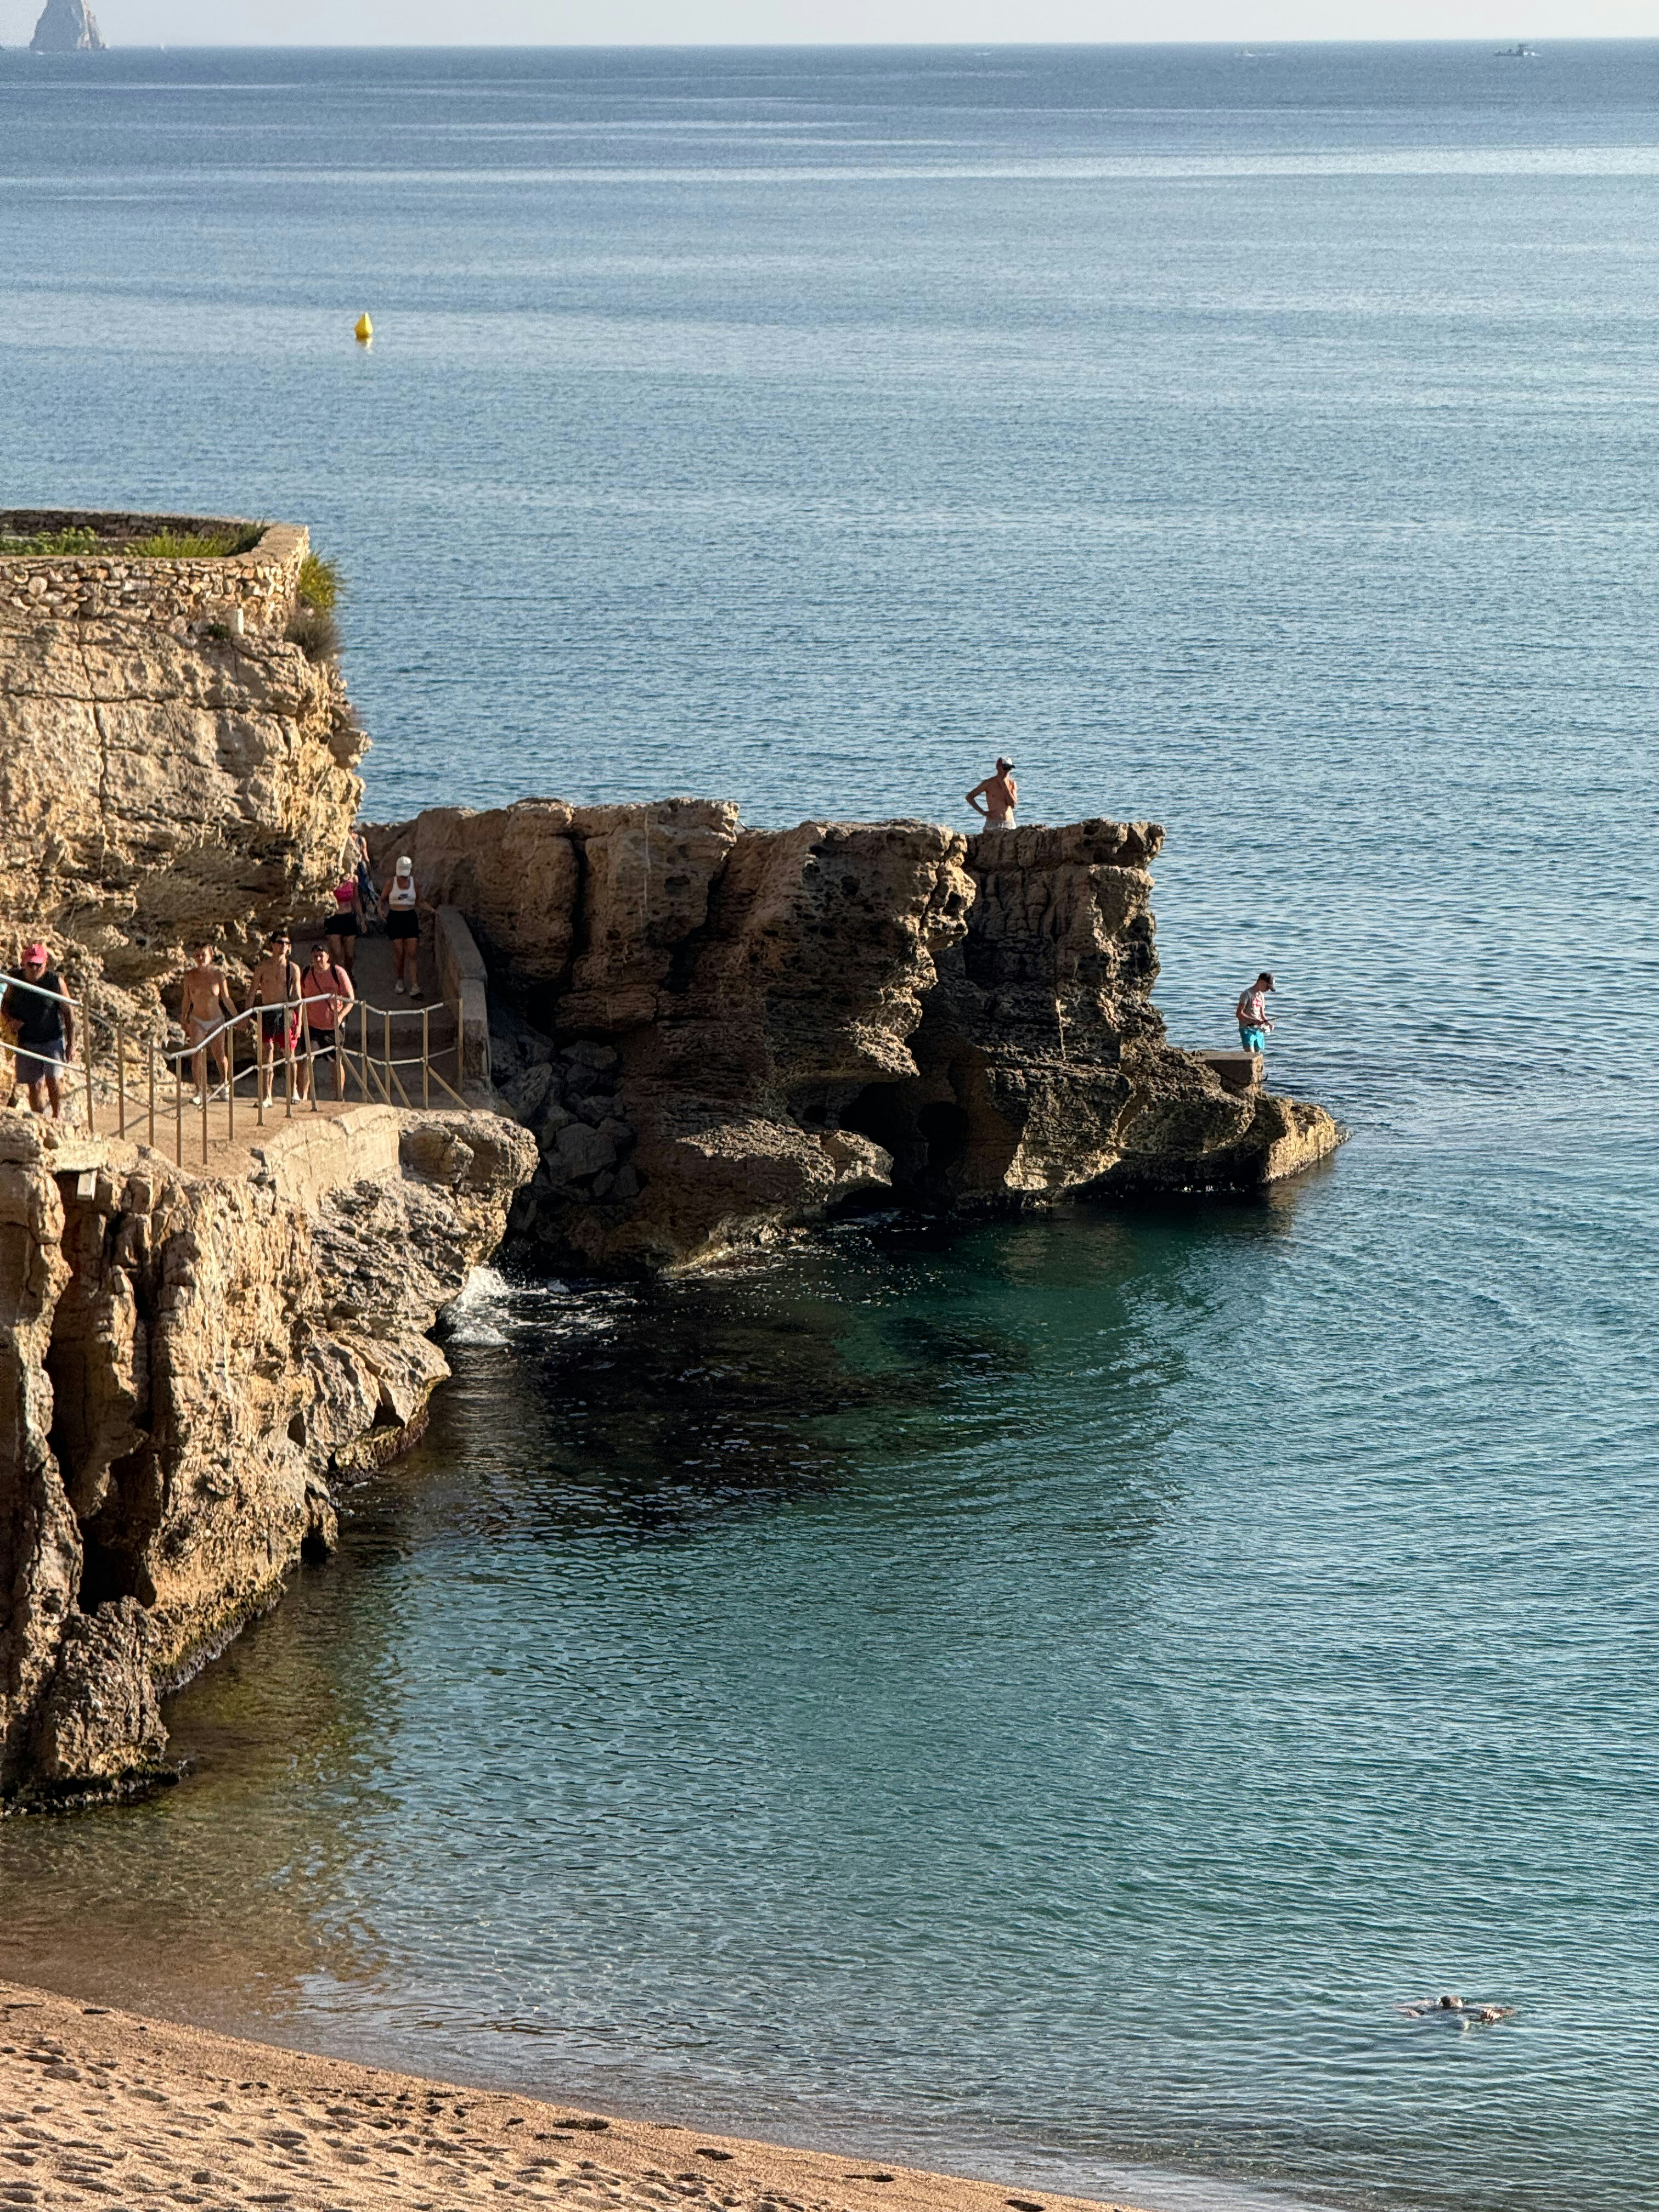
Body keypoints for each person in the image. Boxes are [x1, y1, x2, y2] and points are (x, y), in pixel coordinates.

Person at [2, 943, 74, 1120]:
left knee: (53, 1080)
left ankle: (57, 1117)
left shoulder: (54, 981)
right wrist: (11, 1021)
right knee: (34, 1085)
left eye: (38, 965)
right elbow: (5, 1005)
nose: (34, 969)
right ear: (24, 963)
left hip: (52, 1039)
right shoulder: (16, 980)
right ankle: (40, 1118)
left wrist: (71, 1044)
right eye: (31, 965)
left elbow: (69, 1013)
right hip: (27, 1040)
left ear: (45, 964)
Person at [246, 929, 302, 1105]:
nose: (283, 946)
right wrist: (246, 1015)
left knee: (289, 1054)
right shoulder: (263, 968)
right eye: (280, 943)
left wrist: (299, 1023)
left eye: (286, 943)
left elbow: (298, 998)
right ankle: (267, 1096)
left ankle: (293, 1091)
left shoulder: (293, 969)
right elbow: (252, 992)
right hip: (268, 1012)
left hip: (285, 1013)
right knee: (267, 1052)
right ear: (273, 945)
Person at [179, 943, 236, 1098]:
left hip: (216, 1020)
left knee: (219, 1054)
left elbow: (226, 998)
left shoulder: (218, 976)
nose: (200, 958)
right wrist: (183, 1017)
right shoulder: (189, 977)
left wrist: (237, 1016)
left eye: (203, 955)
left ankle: (224, 1083)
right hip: (197, 1020)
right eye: (197, 955)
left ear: (211, 957)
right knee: (197, 1054)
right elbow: (187, 999)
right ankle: (199, 1091)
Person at [300, 942, 356, 1101]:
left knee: (336, 1060)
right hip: (313, 1025)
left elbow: (350, 998)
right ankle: (304, 1096)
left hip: (332, 1026)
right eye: (315, 956)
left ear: (328, 957)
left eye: (321, 956)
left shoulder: (337, 972)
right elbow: (300, 996)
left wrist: (341, 1016)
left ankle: (339, 1096)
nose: (318, 959)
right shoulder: (307, 973)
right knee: (307, 1056)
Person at [379, 855, 426, 995]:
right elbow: (382, 899)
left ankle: (415, 985)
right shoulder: (391, 883)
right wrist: (382, 910)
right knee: (400, 954)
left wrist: (432, 910)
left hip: (410, 918)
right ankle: (400, 980)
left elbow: (420, 901)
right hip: (395, 918)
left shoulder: (414, 883)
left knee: (412, 953)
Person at [325, 861, 366, 978]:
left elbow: (356, 900)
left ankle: (348, 974)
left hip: (348, 917)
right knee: (337, 954)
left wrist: (362, 919)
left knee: (350, 955)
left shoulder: (353, 880)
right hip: (334, 917)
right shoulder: (332, 880)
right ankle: (339, 979)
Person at [966, 758, 1018, 830]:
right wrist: (983, 812)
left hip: (1009, 823)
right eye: (1005, 768)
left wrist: (1005, 786)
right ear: (998, 768)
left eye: (1010, 769)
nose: (1007, 771)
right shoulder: (989, 783)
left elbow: (1013, 805)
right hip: (993, 822)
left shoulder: (1012, 784)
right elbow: (969, 797)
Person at [1236, 972, 1276, 1052]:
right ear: (1261, 982)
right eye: (1268, 987)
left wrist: (1268, 1023)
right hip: (1246, 1029)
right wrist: (1254, 1020)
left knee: (1258, 1053)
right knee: (1250, 1054)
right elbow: (1239, 1014)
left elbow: (1262, 1015)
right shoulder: (1247, 994)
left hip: (1258, 1029)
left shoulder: (1261, 996)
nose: (1268, 990)